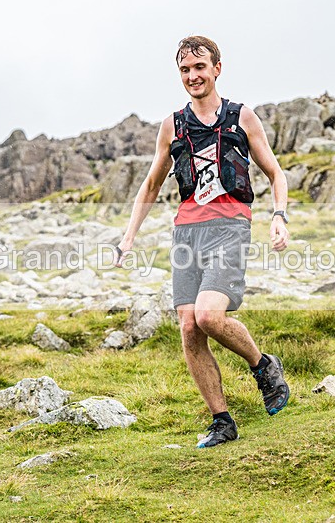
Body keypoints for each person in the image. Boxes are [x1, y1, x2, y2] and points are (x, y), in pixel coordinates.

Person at [116, 35, 291, 448]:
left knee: (210, 317)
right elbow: (152, 184)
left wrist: (279, 217)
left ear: (217, 68)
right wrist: (128, 238)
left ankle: (263, 365)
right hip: (186, 233)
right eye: (185, 70)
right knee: (189, 328)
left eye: (199, 67)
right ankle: (222, 420)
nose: (192, 76)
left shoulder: (241, 117)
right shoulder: (171, 125)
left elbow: (276, 174)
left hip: (230, 226)